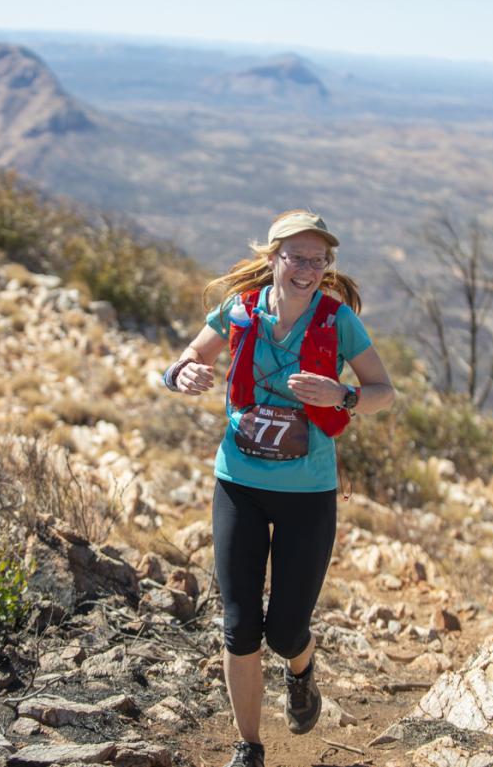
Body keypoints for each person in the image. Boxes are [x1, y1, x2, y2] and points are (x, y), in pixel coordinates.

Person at [161, 210, 395, 767]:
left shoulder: (338, 324)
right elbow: (186, 360)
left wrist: (341, 395)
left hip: (308, 493)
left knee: (287, 630)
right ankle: (250, 747)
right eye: (297, 257)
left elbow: (384, 390)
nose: (309, 269)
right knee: (240, 627)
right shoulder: (238, 312)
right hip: (238, 484)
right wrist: (182, 374)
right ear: (273, 259)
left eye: (320, 260)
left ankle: (301, 668)